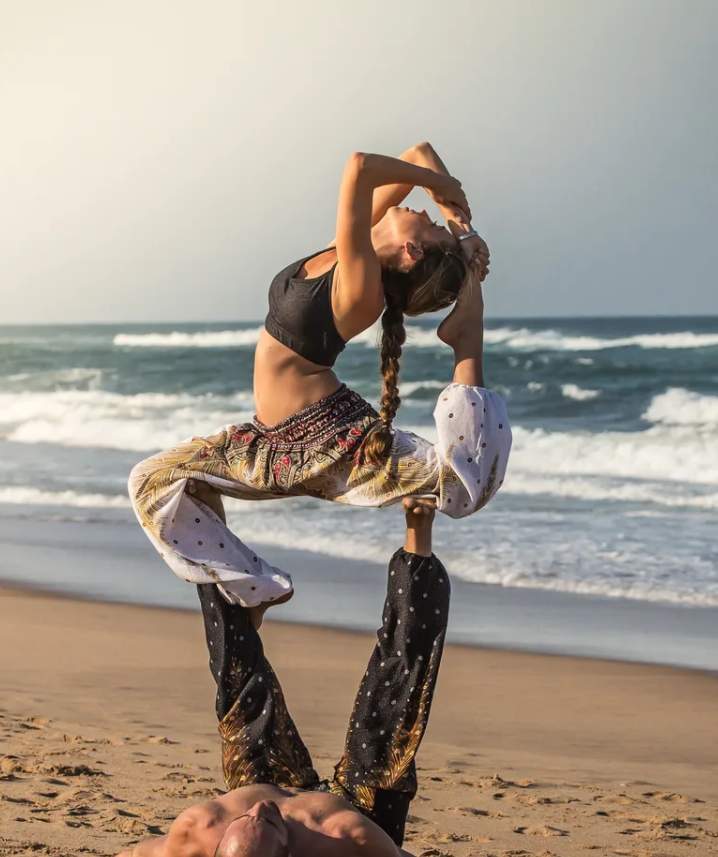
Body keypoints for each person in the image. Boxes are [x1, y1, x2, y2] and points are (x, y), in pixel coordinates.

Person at [127, 143, 510, 625]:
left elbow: (360, 167)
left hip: (327, 441)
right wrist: (461, 227)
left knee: (458, 484)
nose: (422, 210)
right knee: (151, 479)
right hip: (268, 442)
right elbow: (420, 153)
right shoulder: (359, 243)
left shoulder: (361, 283)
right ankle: (257, 586)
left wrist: (445, 191)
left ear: (410, 252)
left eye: (429, 225)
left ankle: (465, 342)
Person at [113, 501, 537, 857]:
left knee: (237, 683)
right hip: (360, 806)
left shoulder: (196, 832)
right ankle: (418, 534)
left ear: (219, 846)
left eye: (247, 819)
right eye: (268, 821)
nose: (260, 807)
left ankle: (210, 527)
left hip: (274, 780)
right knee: (393, 696)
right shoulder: (353, 847)